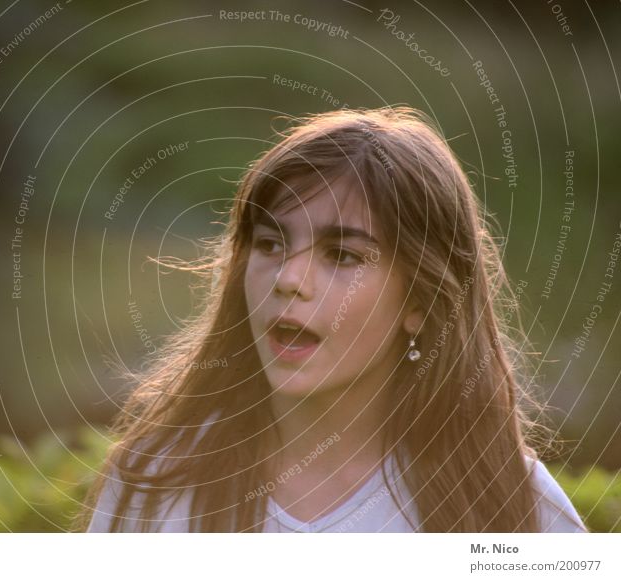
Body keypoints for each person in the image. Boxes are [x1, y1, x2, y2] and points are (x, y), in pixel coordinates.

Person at [76, 107, 587, 533]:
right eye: (271, 243)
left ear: (421, 302)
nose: (289, 278)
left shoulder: (515, 510)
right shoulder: (155, 482)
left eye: (342, 255)